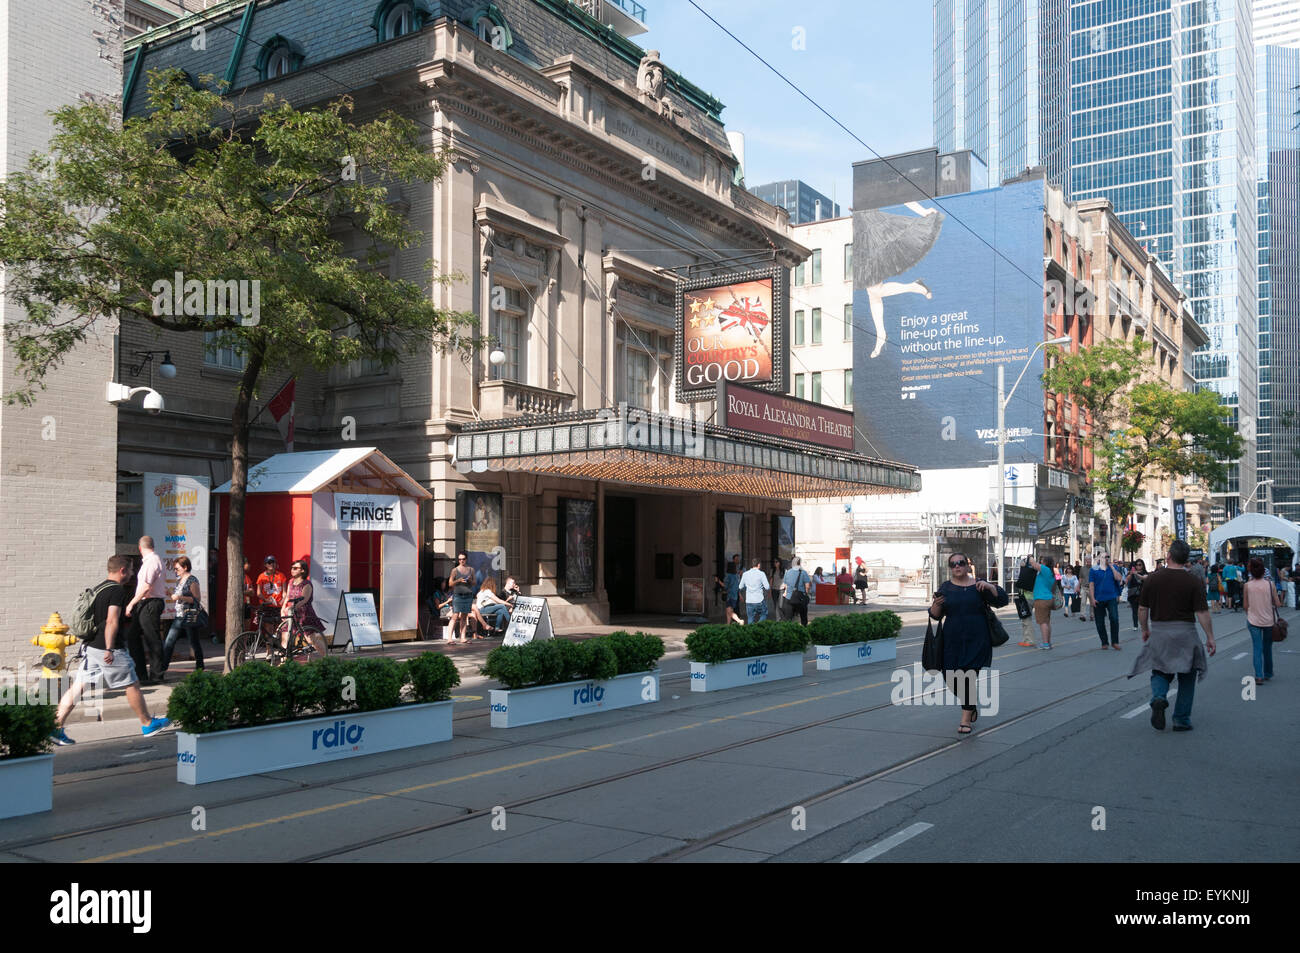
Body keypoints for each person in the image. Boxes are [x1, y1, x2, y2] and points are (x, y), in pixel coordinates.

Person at [51, 555, 171, 744]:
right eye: (131, 570)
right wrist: (109, 648)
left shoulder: (100, 588)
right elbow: (112, 620)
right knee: (132, 683)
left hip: (91, 647)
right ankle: (148, 723)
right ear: (122, 570)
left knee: (78, 687)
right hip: (108, 648)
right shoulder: (116, 591)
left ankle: (55, 726)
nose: (132, 574)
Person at [1131, 540, 1216, 732]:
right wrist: (1210, 637)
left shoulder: (1153, 579)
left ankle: (1159, 697)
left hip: (1160, 632)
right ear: (1186, 559)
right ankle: (1181, 719)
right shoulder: (1193, 581)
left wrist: (1145, 629)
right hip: (1186, 632)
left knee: (1160, 671)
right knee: (1187, 676)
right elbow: (1202, 613)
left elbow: (1142, 608)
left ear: (1168, 556)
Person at [927, 551, 1008, 735]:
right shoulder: (946, 588)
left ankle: (965, 719)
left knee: (968, 677)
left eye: (961, 563)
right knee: (950, 677)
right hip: (952, 640)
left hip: (977, 640)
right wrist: (937, 603)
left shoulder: (979, 585)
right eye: (953, 564)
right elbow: (936, 615)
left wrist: (990, 586)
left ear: (967, 564)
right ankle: (970, 706)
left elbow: (1002, 601)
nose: (957, 566)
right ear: (950, 568)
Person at [124, 535, 167, 684]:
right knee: (133, 636)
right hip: (147, 602)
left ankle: (156, 675)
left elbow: (146, 587)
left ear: (140, 548)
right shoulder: (154, 560)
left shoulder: (151, 562)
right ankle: (141, 673)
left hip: (149, 602)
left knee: (152, 639)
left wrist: (131, 603)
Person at [160, 556, 204, 679]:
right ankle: (161, 670)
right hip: (179, 616)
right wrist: (172, 594)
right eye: (174, 569)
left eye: (177, 568)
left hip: (188, 615)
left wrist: (179, 597)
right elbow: (178, 596)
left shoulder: (192, 580)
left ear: (185, 567)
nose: (175, 571)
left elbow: (196, 599)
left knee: (194, 642)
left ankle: (200, 668)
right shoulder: (179, 580)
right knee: (169, 642)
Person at [1242, 557, 1280, 685]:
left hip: (1253, 620)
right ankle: (1268, 673)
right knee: (1267, 648)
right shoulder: (1270, 584)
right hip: (1269, 621)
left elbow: (1245, 606)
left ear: (1251, 571)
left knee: (1257, 649)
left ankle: (1259, 676)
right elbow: (1278, 603)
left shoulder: (1247, 586)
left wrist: (1251, 612)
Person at [281, 557, 329, 658]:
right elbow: (288, 596)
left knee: (311, 639)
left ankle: (326, 658)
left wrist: (292, 608)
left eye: (295, 568)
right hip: (291, 613)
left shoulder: (306, 584)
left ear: (302, 570)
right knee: (285, 636)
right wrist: (283, 608)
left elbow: (304, 600)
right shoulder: (291, 582)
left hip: (304, 613)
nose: (292, 570)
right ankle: (284, 661)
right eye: (292, 567)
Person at [1089, 551, 1125, 649]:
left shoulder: (1114, 568)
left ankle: (1115, 642)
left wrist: (1112, 567)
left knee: (1114, 618)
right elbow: (1091, 585)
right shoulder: (1093, 570)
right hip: (1098, 599)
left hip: (1111, 597)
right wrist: (1092, 598)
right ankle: (1104, 642)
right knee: (1100, 622)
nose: (1107, 558)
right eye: (1104, 557)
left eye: (1108, 557)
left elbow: (1119, 578)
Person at [447, 551, 476, 643]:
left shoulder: (471, 570)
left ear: (466, 559)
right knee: (455, 616)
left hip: (468, 595)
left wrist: (470, 580)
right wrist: (458, 580)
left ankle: (462, 637)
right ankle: (449, 638)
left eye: (463, 559)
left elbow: (474, 583)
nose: (461, 561)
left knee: (464, 616)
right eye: (459, 559)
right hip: (458, 595)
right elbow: (450, 583)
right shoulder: (455, 570)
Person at [1030, 554, 1057, 649]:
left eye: (1042, 560)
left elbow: (1033, 564)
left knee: (1042, 622)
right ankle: (1048, 642)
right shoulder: (1050, 572)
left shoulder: (1046, 570)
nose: (1041, 562)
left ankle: (1045, 644)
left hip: (1041, 599)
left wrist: (1030, 557)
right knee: (1047, 622)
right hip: (1048, 598)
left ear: (1045, 562)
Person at [1015, 557, 1039, 647]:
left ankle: (1029, 640)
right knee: (1025, 619)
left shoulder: (1026, 572)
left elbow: (1021, 581)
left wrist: (1022, 567)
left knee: (1026, 619)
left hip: (1026, 598)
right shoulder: (1036, 572)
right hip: (1033, 597)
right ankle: (1026, 639)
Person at [781, 556, 812, 625]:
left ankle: (789, 633)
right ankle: (804, 631)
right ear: (799, 563)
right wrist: (806, 593)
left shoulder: (788, 572)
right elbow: (807, 586)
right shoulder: (803, 572)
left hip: (789, 598)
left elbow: (785, 586)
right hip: (800, 598)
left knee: (788, 620)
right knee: (803, 618)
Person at [739, 557, 771, 624]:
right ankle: (758, 626)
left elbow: (740, 586)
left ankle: (752, 632)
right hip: (759, 600)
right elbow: (767, 587)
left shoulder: (745, 574)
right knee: (764, 614)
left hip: (749, 600)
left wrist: (748, 585)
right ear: (758, 565)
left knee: (750, 618)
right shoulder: (761, 574)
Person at [714, 558, 744, 626]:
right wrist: (739, 595)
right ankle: (728, 624)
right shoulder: (736, 576)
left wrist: (718, 581)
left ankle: (739, 621)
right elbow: (737, 587)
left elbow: (725, 586)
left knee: (729, 611)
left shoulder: (728, 576)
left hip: (730, 595)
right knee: (729, 611)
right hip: (735, 596)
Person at [1125, 559, 1148, 631]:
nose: (1138, 566)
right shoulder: (1132, 573)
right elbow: (1127, 580)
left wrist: (1136, 574)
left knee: (1142, 610)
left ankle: (1143, 624)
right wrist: (1131, 574)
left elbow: (1144, 578)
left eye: (1140, 565)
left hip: (1143, 594)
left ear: (1143, 565)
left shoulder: (1145, 572)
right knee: (1134, 610)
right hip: (1134, 594)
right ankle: (1135, 625)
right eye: (1137, 565)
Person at [1080, 555, 1094, 622]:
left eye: (1090, 560)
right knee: (1083, 602)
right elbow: (1080, 577)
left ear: (1091, 560)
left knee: (1092, 603)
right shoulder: (1082, 568)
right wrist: (1078, 586)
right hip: (1084, 587)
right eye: (1087, 560)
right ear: (1085, 561)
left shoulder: (1094, 568)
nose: (1088, 561)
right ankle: (1083, 615)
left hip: (1091, 588)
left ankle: (1092, 615)